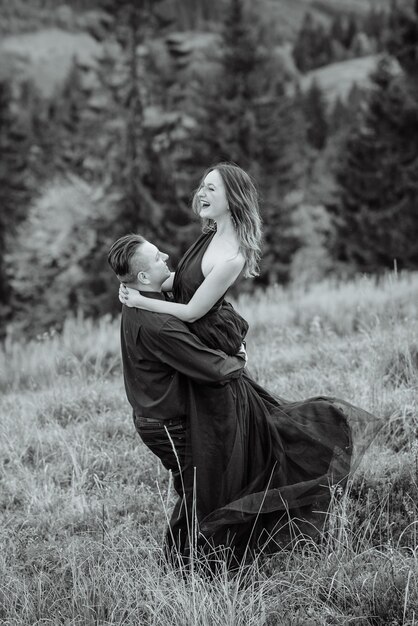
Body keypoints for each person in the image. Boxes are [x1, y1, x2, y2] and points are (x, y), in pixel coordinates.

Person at [118, 163, 378, 563]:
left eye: (212, 189)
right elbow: (181, 282)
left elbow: (189, 311)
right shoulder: (208, 235)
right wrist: (141, 291)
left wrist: (141, 301)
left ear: (231, 199)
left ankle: (233, 546)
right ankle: (201, 553)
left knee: (242, 452)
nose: (202, 194)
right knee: (217, 460)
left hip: (206, 345)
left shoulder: (231, 254)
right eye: (202, 186)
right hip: (199, 359)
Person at [107, 233, 247, 558]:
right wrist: (238, 356)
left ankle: (195, 562)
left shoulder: (137, 303)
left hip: (154, 416)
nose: (167, 257)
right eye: (157, 258)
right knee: (198, 491)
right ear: (143, 277)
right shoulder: (159, 324)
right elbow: (214, 368)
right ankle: (183, 568)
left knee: (196, 488)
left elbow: (183, 288)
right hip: (168, 424)